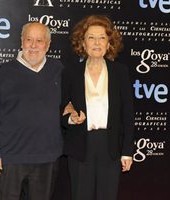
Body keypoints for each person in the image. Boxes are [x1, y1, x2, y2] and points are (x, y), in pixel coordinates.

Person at [0, 22, 64, 200]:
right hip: (9, 158)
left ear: (48, 44)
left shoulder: (58, 71)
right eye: (29, 40)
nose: (33, 46)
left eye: (39, 40)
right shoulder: (5, 72)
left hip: (46, 159)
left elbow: (68, 106)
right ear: (21, 42)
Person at [61, 15, 134, 200]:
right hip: (80, 147)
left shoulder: (120, 72)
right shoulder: (70, 72)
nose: (97, 42)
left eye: (102, 37)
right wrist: (71, 118)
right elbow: (61, 108)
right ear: (83, 43)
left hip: (110, 147)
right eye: (91, 37)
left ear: (109, 43)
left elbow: (128, 115)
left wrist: (127, 151)